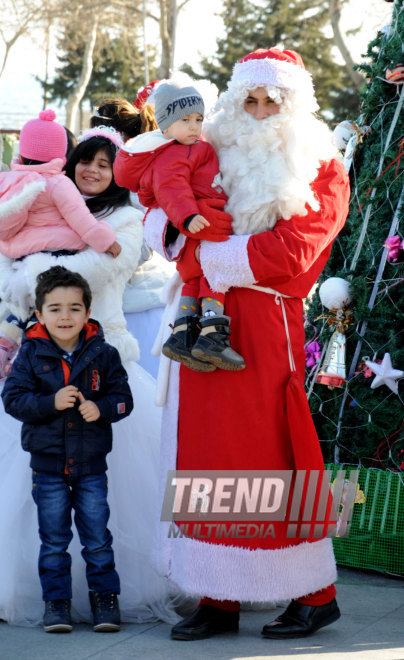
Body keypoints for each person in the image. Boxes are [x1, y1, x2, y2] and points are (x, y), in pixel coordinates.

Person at [143, 48, 351, 640]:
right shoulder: (206, 148)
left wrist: (205, 255)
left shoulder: (320, 164)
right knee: (206, 451)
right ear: (233, 102)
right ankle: (218, 591)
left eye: (272, 100)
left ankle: (316, 592)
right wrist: (175, 236)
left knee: (272, 452)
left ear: (294, 104)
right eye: (249, 100)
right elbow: (161, 202)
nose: (259, 111)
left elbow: (296, 251)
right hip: (197, 315)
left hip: (264, 319)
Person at [0, 126, 181, 626]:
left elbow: (101, 270)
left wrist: (30, 268)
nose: (94, 170)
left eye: (105, 163)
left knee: (108, 501)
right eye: (86, 160)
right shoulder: (48, 204)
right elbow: (7, 262)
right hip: (40, 368)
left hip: (101, 360)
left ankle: (108, 594)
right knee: (39, 498)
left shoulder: (127, 217)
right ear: (69, 162)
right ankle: (49, 595)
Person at [2, 266, 133, 633]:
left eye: (74, 308)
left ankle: (105, 601)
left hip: (91, 466)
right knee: (54, 540)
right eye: (55, 308)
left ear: (87, 313)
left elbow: (124, 400)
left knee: (96, 538)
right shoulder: (30, 354)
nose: (65, 316)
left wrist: (102, 408)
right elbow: (13, 399)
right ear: (40, 315)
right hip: (48, 467)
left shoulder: (103, 354)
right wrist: (50, 402)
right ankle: (56, 604)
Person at [114, 80, 244, 371]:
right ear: (166, 125)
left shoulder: (192, 147)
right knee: (214, 275)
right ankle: (212, 335)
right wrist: (187, 217)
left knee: (194, 279)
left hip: (201, 222)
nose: (194, 126)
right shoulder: (175, 153)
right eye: (185, 120)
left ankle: (183, 334)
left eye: (198, 119)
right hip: (199, 224)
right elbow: (171, 188)